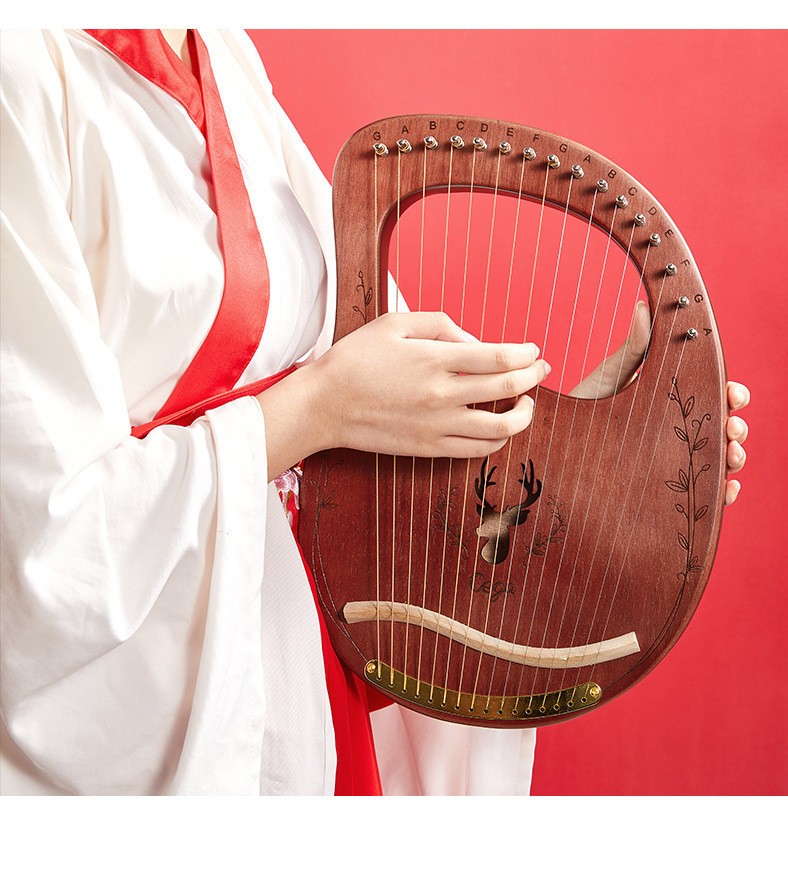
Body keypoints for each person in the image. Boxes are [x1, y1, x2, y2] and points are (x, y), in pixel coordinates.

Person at [0, 29, 750, 795]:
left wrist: (578, 460)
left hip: (298, 691)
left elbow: (365, 442)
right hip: (160, 729)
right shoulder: (22, 69)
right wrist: (320, 406)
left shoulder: (220, 46)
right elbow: (40, 541)